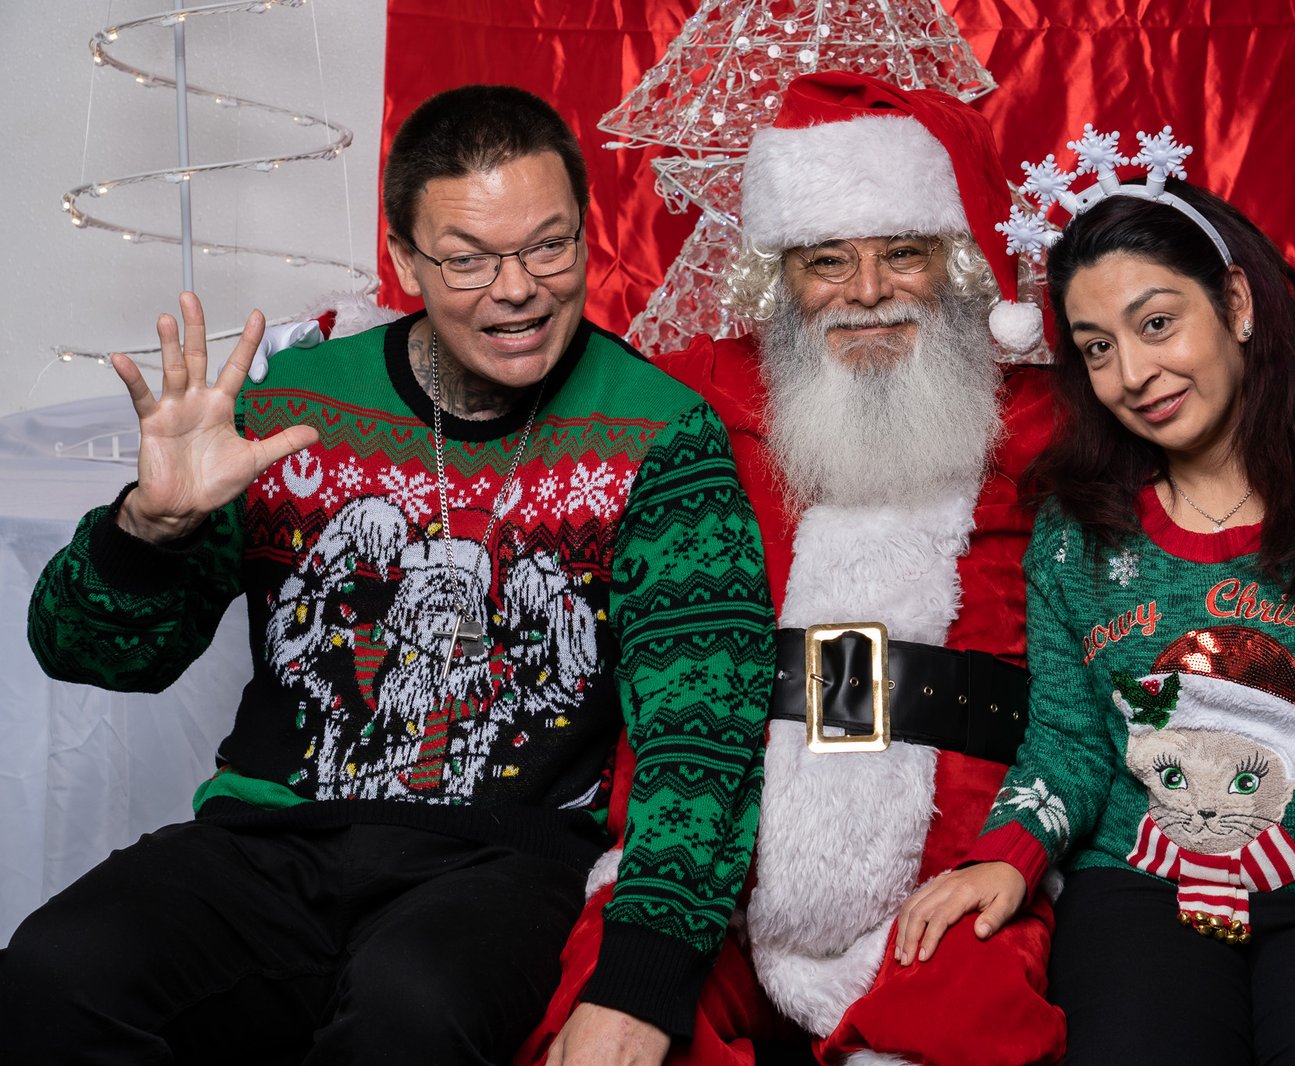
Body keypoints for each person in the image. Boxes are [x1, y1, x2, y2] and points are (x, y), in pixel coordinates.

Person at [520, 74, 1295, 1066]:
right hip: (785, 849)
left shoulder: (1072, 432)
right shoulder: (709, 416)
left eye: (904, 252)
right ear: (778, 278)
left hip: (1205, 879)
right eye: (825, 260)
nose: (867, 292)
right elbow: (1067, 735)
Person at [1, 84, 774, 1065]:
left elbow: (704, 731)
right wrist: (147, 528)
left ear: (586, 232)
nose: (518, 289)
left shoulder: (662, 434)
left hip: (503, 862)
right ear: (405, 260)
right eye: (468, 258)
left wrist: (641, 982)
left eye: (549, 246)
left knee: (410, 1010)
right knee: (52, 973)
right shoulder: (291, 408)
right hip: (270, 842)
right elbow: (94, 655)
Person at [893, 150, 1295, 1063]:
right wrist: (1011, 849)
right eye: (1098, 347)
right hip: (1145, 891)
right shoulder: (1076, 530)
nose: (1132, 373)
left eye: (1157, 323)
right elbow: (1069, 738)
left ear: (1236, 301)